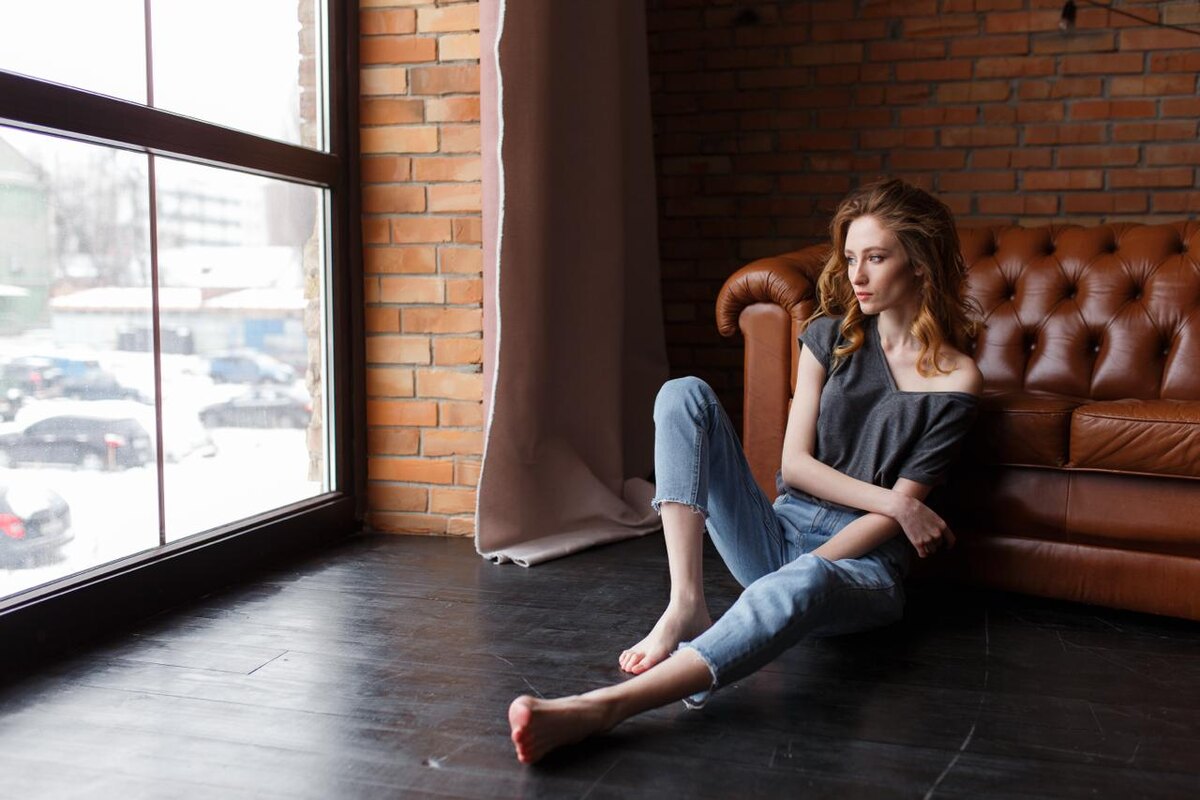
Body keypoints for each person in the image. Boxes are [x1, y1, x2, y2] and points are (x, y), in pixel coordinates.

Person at [508, 178, 984, 765]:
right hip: (779, 531)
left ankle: (602, 708)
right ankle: (685, 601)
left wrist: (831, 552)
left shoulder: (956, 379)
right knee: (683, 394)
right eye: (850, 258)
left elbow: (887, 529)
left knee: (808, 579)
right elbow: (795, 468)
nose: (857, 275)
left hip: (860, 566)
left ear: (920, 264)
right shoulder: (829, 336)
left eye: (877, 258)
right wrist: (899, 503)